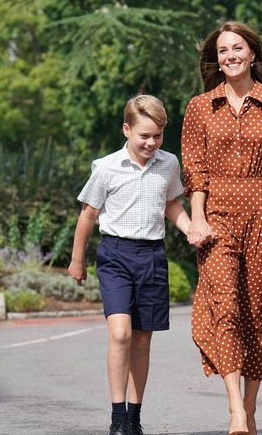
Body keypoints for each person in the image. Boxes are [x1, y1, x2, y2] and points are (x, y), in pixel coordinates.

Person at [181, 21, 262, 435]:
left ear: (253, 54)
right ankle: (235, 408)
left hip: (260, 215)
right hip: (215, 215)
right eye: (222, 51)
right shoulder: (200, 107)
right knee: (226, 308)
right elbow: (195, 170)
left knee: (256, 313)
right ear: (216, 60)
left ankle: (250, 408)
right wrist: (196, 218)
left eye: (237, 48)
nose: (230, 56)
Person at [68, 94, 193, 435]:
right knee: (121, 333)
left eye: (157, 135)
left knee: (141, 339)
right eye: (144, 135)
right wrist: (77, 259)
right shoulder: (105, 167)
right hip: (115, 256)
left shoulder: (169, 164)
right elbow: (88, 214)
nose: (151, 142)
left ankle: (134, 417)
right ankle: (117, 415)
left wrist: (190, 227)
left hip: (152, 256)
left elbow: (172, 204)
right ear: (127, 130)